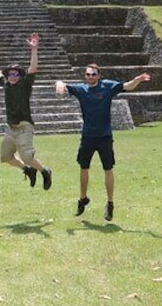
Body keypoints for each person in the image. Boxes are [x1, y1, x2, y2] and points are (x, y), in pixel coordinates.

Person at [55, 64, 151, 221]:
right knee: (83, 167)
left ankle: (110, 203)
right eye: (88, 74)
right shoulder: (81, 89)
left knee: (108, 169)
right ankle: (83, 198)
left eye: (93, 74)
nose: (90, 77)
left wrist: (138, 80)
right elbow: (62, 84)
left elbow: (127, 86)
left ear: (99, 76)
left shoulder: (107, 86)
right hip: (88, 136)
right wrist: (59, 84)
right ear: (85, 76)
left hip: (104, 136)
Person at [0, 32, 52, 190]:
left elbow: (33, 68)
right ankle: (27, 170)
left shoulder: (25, 85)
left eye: (16, 74)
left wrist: (34, 49)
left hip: (24, 127)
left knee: (27, 156)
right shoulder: (6, 85)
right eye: (10, 74)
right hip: (10, 129)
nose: (12, 76)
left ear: (20, 77)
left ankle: (44, 171)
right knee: (5, 157)